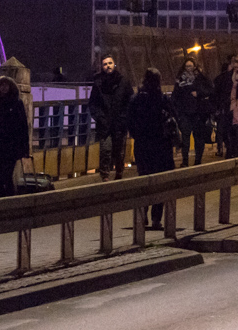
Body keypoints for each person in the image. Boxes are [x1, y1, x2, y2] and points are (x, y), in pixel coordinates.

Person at [124, 69, 177, 229]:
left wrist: (138, 135)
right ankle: (156, 218)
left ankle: (142, 214)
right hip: (161, 145)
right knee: (159, 181)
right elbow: (172, 118)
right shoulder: (163, 99)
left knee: (144, 179)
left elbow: (129, 120)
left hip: (143, 145)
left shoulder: (136, 100)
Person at [88, 56, 133, 180]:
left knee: (119, 150)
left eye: (110, 63)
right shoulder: (98, 83)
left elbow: (129, 101)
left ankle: (119, 172)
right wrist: (99, 118)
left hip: (119, 123)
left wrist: (124, 118)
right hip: (105, 123)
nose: (108, 66)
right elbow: (93, 103)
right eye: (105, 64)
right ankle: (105, 175)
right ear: (102, 67)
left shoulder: (123, 81)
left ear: (114, 64)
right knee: (105, 150)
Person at [171, 59, 215, 166]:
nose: (189, 68)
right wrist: (178, 111)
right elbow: (175, 96)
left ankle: (197, 160)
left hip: (198, 113)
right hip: (185, 113)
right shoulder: (180, 79)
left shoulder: (201, 77)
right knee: (185, 137)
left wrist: (199, 93)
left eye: (190, 66)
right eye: (187, 66)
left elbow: (211, 90)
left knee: (198, 137)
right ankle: (185, 161)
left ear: (195, 66)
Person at [211, 56, 238, 156]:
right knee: (226, 131)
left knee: (236, 132)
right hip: (226, 108)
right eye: (235, 67)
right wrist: (218, 107)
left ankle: (235, 152)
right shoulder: (224, 78)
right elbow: (216, 94)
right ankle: (230, 149)